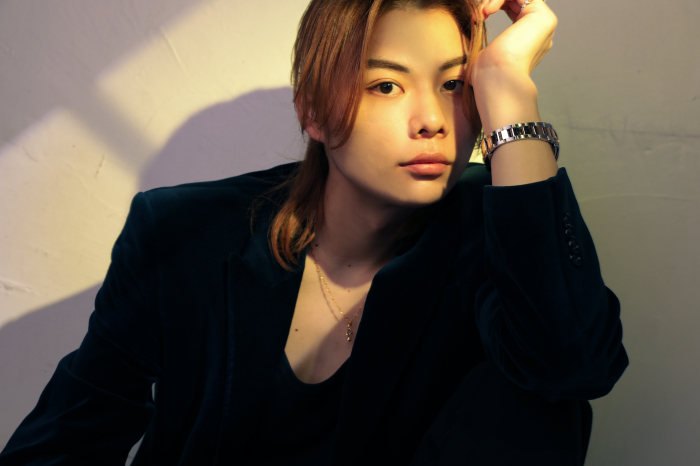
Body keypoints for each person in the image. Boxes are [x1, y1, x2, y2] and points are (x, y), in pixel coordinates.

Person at [0, 0, 628, 464]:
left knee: (541, 383)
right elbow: (65, 439)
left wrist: (509, 90)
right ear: (312, 111)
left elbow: (572, 370)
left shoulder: (497, 236)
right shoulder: (182, 234)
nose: (433, 120)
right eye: (386, 85)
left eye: (455, 85)